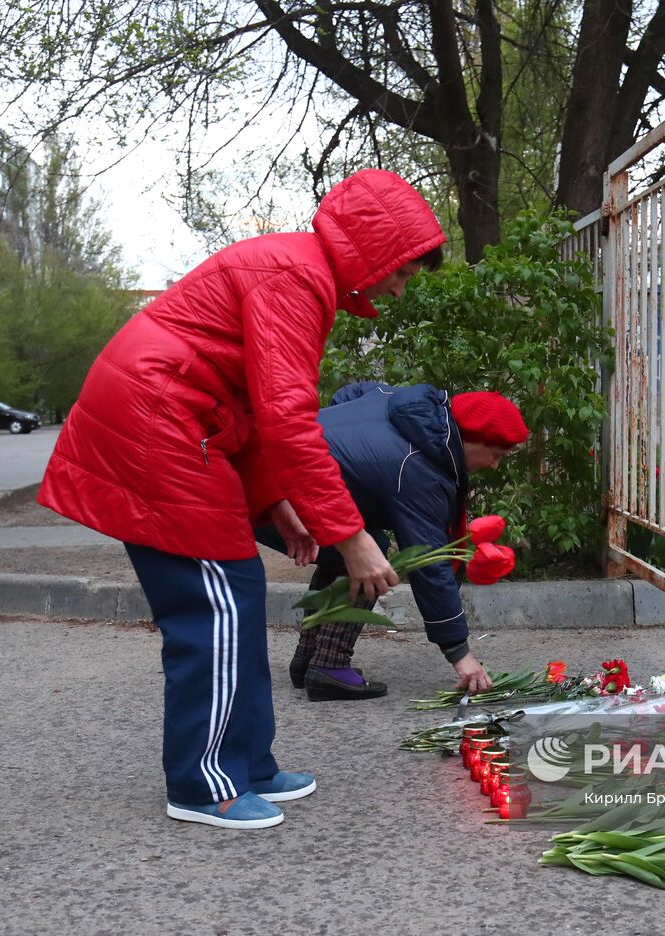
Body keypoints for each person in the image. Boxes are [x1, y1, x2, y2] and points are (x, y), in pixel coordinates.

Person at [37, 169, 446, 829]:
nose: (401, 286)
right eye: (401, 270)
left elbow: (255, 402)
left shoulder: (298, 269)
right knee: (214, 607)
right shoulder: (296, 277)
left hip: (183, 422)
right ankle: (202, 784)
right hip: (159, 422)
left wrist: (275, 500)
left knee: (238, 593)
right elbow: (288, 420)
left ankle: (248, 762)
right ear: (374, 251)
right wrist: (353, 536)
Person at [257, 385, 528, 701]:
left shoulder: (404, 403)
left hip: (271, 470)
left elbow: (348, 393)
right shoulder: (418, 468)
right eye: (496, 455)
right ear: (468, 437)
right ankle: (329, 665)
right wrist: (460, 654)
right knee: (369, 554)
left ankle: (310, 659)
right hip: (275, 500)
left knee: (353, 541)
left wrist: (339, 451)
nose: (495, 466)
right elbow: (430, 564)